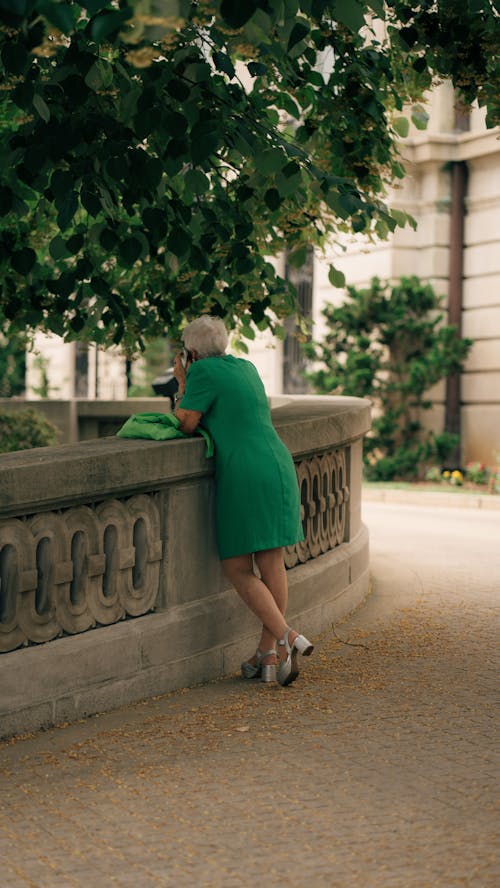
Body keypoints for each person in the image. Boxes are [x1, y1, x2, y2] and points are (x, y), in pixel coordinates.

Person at [172, 315, 314, 687]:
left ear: (191, 353)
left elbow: (186, 422)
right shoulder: (246, 367)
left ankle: (286, 636)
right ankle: (269, 655)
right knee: (271, 562)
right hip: (277, 464)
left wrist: (183, 382)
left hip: (244, 470)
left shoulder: (202, 373)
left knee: (237, 568)